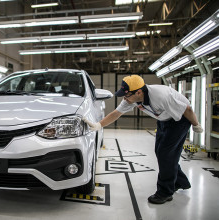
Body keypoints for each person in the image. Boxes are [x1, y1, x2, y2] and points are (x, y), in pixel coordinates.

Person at [83, 75, 203, 204]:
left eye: (127, 95)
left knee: (166, 155)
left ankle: (165, 192)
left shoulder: (161, 96)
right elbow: (116, 113)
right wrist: (99, 125)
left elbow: (187, 109)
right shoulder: (132, 98)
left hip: (180, 121)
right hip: (163, 121)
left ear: (139, 92)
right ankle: (180, 181)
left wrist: (196, 125)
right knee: (161, 153)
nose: (124, 98)